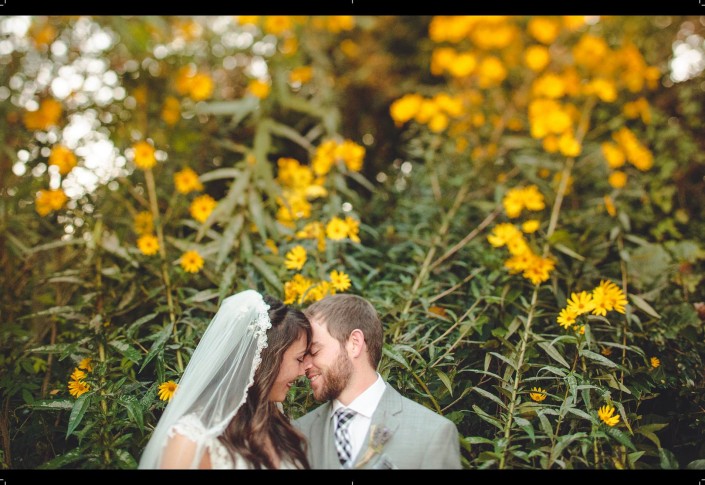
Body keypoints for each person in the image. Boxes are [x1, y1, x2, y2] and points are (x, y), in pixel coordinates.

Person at [138, 289, 311, 469]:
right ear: (266, 359)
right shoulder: (191, 439)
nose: (302, 372)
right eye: (299, 359)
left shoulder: (277, 423)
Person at [295, 294, 462, 469]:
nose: (304, 366)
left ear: (354, 343)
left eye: (314, 351)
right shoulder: (297, 433)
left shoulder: (433, 433)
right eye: (303, 356)